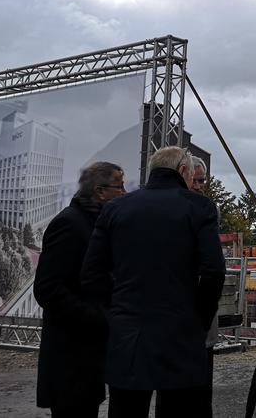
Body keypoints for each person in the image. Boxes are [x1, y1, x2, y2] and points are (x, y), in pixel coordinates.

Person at [81, 146, 225, 418]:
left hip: (129, 335)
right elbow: (214, 272)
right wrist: (199, 320)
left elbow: (92, 274)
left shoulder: (115, 208)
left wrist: (116, 312)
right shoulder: (199, 207)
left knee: (126, 410)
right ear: (183, 171)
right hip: (181, 335)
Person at [33, 161, 124, 418]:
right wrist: (98, 317)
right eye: (120, 186)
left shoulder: (92, 223)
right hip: (69, 357)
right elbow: (47, 289)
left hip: (86, 355)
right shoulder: (70, 224)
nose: (124, 192)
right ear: (100, 191)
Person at [189, 155, 218, 418]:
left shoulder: (206, 208)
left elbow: (213, 270)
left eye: (203, 181)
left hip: (200, 316)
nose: (199, 185)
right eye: (195, 180)